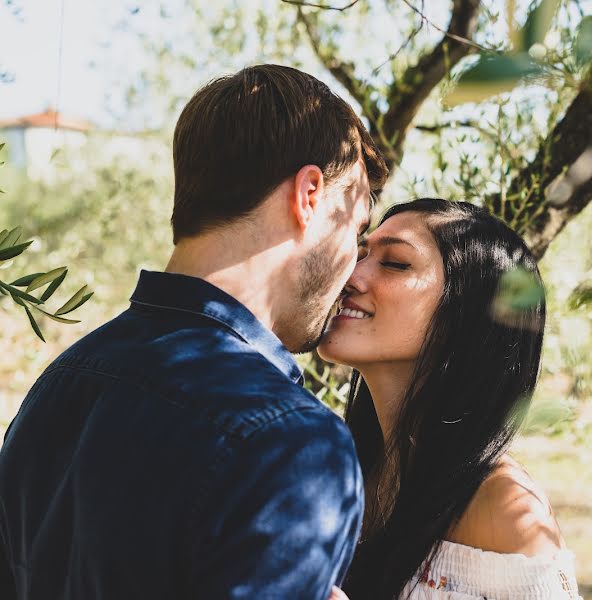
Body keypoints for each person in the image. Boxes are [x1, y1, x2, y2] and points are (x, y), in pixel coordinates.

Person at [0, 64, 387, 600]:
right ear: (310, 195)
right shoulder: (291, 442)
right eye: (359, 228)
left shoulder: (60, 382)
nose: (355, 265)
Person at [318, 198, 582, 600]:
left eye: (395, 263)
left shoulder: (504, 508)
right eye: (360, 253)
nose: (350, 275)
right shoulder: (346, 473)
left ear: (464, 314)